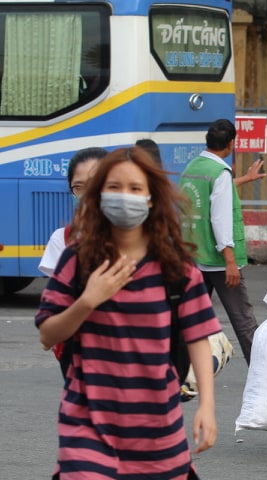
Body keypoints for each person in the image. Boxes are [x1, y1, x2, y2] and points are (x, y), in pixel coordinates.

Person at [35, 147, 220, 479]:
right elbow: (48, 334)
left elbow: (198, 337)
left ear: (151, 197)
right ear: (99, 195)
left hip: (157, 427)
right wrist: (88, 300)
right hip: (86, 421)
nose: (124, 196)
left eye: (135, 189)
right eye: (114, 187)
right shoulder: (77, 260)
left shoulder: (176, 268)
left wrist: (207, 406)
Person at [179, 119, 266, 365]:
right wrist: (229, 260)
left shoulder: (193, 168)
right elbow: (219, 217)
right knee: (244, 322)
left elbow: (209, 197)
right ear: (231, 144)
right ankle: (263, 373)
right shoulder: (220, 173)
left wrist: (245, 180)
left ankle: (181, 368)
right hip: (219, 260)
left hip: (196, 257)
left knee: (191, 318)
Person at [38, 147, 107, 276]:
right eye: (78, 187)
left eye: (95, 185)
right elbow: (60, 294)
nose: (87, 194)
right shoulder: (62, 239)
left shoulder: (134, 238)